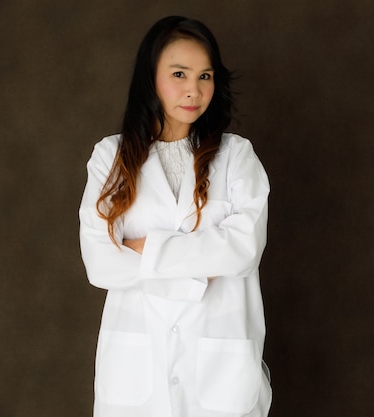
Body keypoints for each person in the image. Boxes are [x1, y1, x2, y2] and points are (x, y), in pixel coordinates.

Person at [79, 16, 272, 417]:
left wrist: (144, 249)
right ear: (151, 78)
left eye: (205, 76)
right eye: (179, 74)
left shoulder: (237, 157)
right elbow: (100, 264)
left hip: (221, 372)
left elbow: (242, 250)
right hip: (137, 372)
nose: (194, 90)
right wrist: (203, 262)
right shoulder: (109, 159)